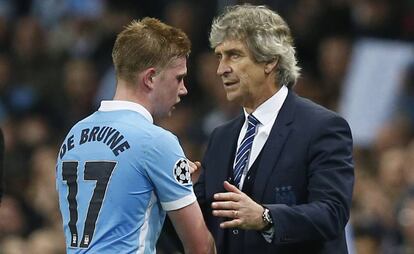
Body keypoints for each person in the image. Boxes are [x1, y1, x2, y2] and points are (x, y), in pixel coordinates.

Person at [194, 4, 354, 254]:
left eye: (234, 55)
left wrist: (266, 217)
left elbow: (332, 213)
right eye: (219, 56)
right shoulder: (220, 137)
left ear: (269, 61)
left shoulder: (322, 127)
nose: (221, 69)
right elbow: (201, 217)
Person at [56, 18, 215, 254]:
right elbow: (201, 247)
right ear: (150, 78)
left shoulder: (73, 136)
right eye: (178, 78)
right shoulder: (158, 142)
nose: (183, 90)